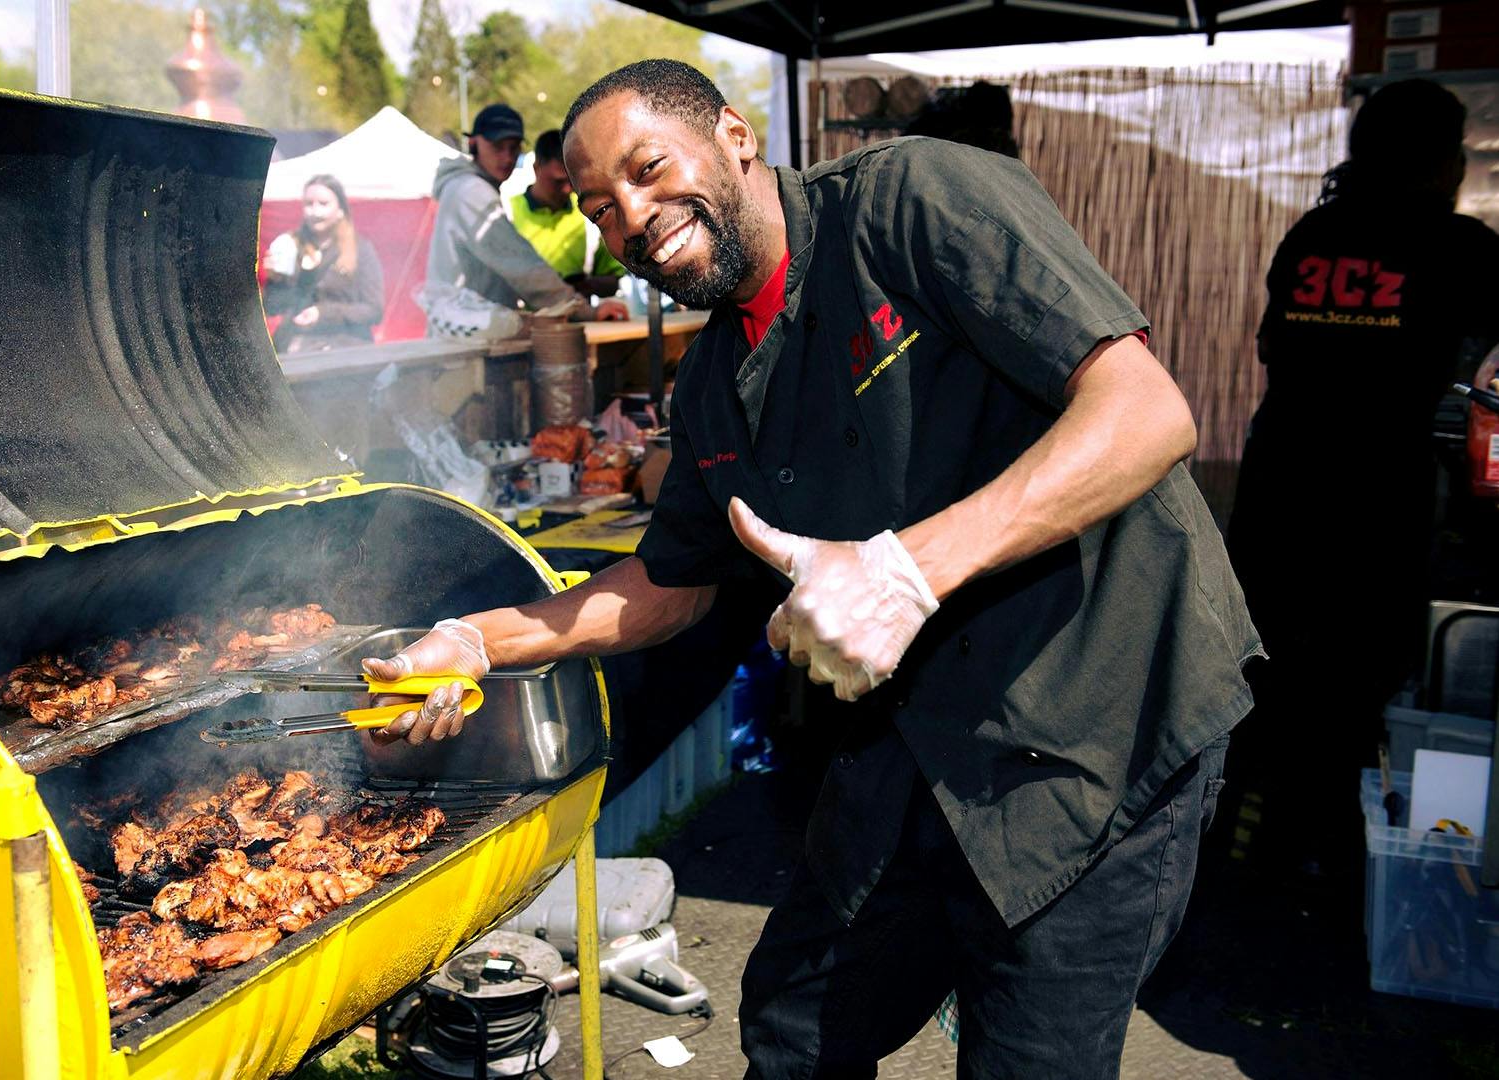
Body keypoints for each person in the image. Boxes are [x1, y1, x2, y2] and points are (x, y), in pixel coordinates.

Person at [367, 60, 1260, 1078]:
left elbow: (1146, 413)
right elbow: (667, 588)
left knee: (1030, 1057)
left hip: (1101, 707)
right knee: (796, 1022)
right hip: (915, 732)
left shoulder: (916, 198)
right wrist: (479, 639)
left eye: (651, 169)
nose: (636, 217)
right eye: (604, 210)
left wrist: (905, 573)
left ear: (735, 137)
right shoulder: (710, 384)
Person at [1225, 79, 1499, 879]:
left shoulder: (1316, 232)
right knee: (1357, 689)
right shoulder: (1463, 249)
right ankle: (1333, 864)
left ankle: (1252, 848)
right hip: (1377, 498)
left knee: (1272, 673)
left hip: (1282, 485)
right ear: (1442, 160)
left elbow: (1275, 348)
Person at [424, 104, 627, 331]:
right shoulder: (470, 192)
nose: (507, 157)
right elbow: (522, 267)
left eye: (513, 148)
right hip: (465, 341)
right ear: (473, 144)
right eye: (498, 146)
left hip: (469, 333)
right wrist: (580, 310)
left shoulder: (470, 188)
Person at [263, 174, 385, 352]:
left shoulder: (360, 249)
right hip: (294, 346)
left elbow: (374, 311)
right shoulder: (290, 245)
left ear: (340, 210)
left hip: (345, 347)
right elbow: (272, 308)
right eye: (309, 204)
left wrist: (323, 313)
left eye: (323, 204)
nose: (315, 211)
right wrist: (275, 280)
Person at [511, 129, 629, 298]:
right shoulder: (506, 213)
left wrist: (585, 285)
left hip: (580, 320)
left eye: (571, 181)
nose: (567, 189)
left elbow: (612, 281)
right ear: (536, 168)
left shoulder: (589, 213)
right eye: (558, 181)